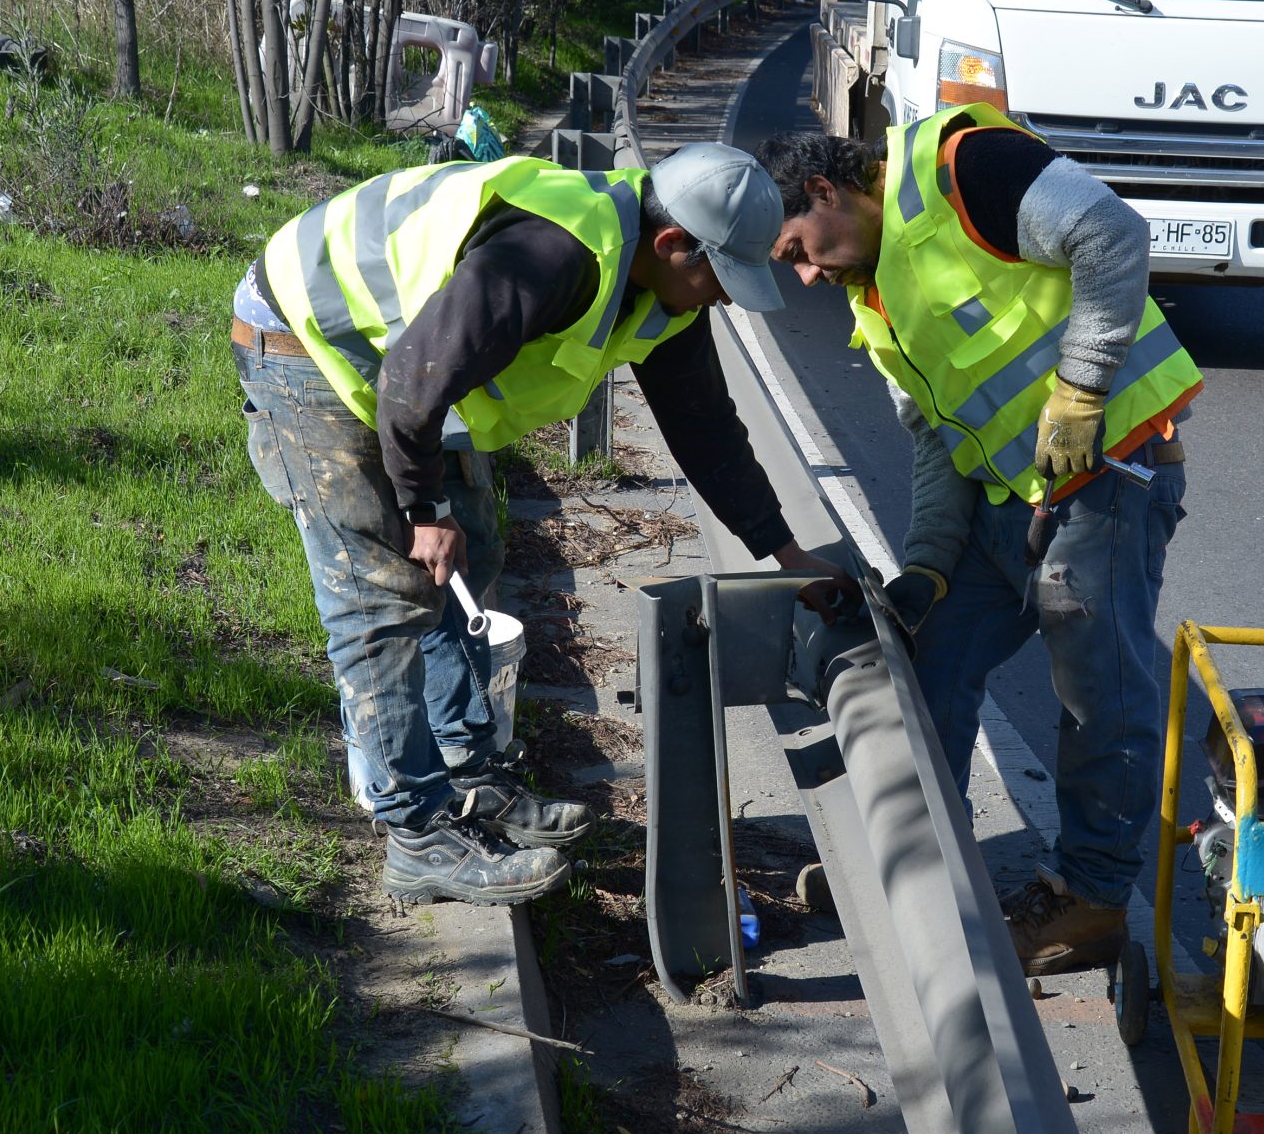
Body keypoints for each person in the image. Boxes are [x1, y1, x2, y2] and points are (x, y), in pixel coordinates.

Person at [233, 143, 838, 907]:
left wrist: (786, 554)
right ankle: (416, 833)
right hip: (308, 338)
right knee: (381, 592)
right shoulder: (553, 255)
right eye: (720, 279)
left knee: (472, 550)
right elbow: (411, 381)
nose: (722, 299)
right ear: (672, 243)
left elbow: (708, 431)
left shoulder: (662, 292)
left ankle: (468, 775)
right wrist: (421, 511)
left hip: (410, 360)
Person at [759, 107, 1202, 975]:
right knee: (933, 658)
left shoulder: (962, 168)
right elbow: (936, 440)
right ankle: (928, 862)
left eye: (799, 249)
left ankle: (1093, 901)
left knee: (1099, 697)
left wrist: (1080, 389)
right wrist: (927, 563)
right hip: (1012, 504)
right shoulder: (872, 292)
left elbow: (1112, 235)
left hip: (1110, 478)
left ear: (825, 189)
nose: (807, 276)